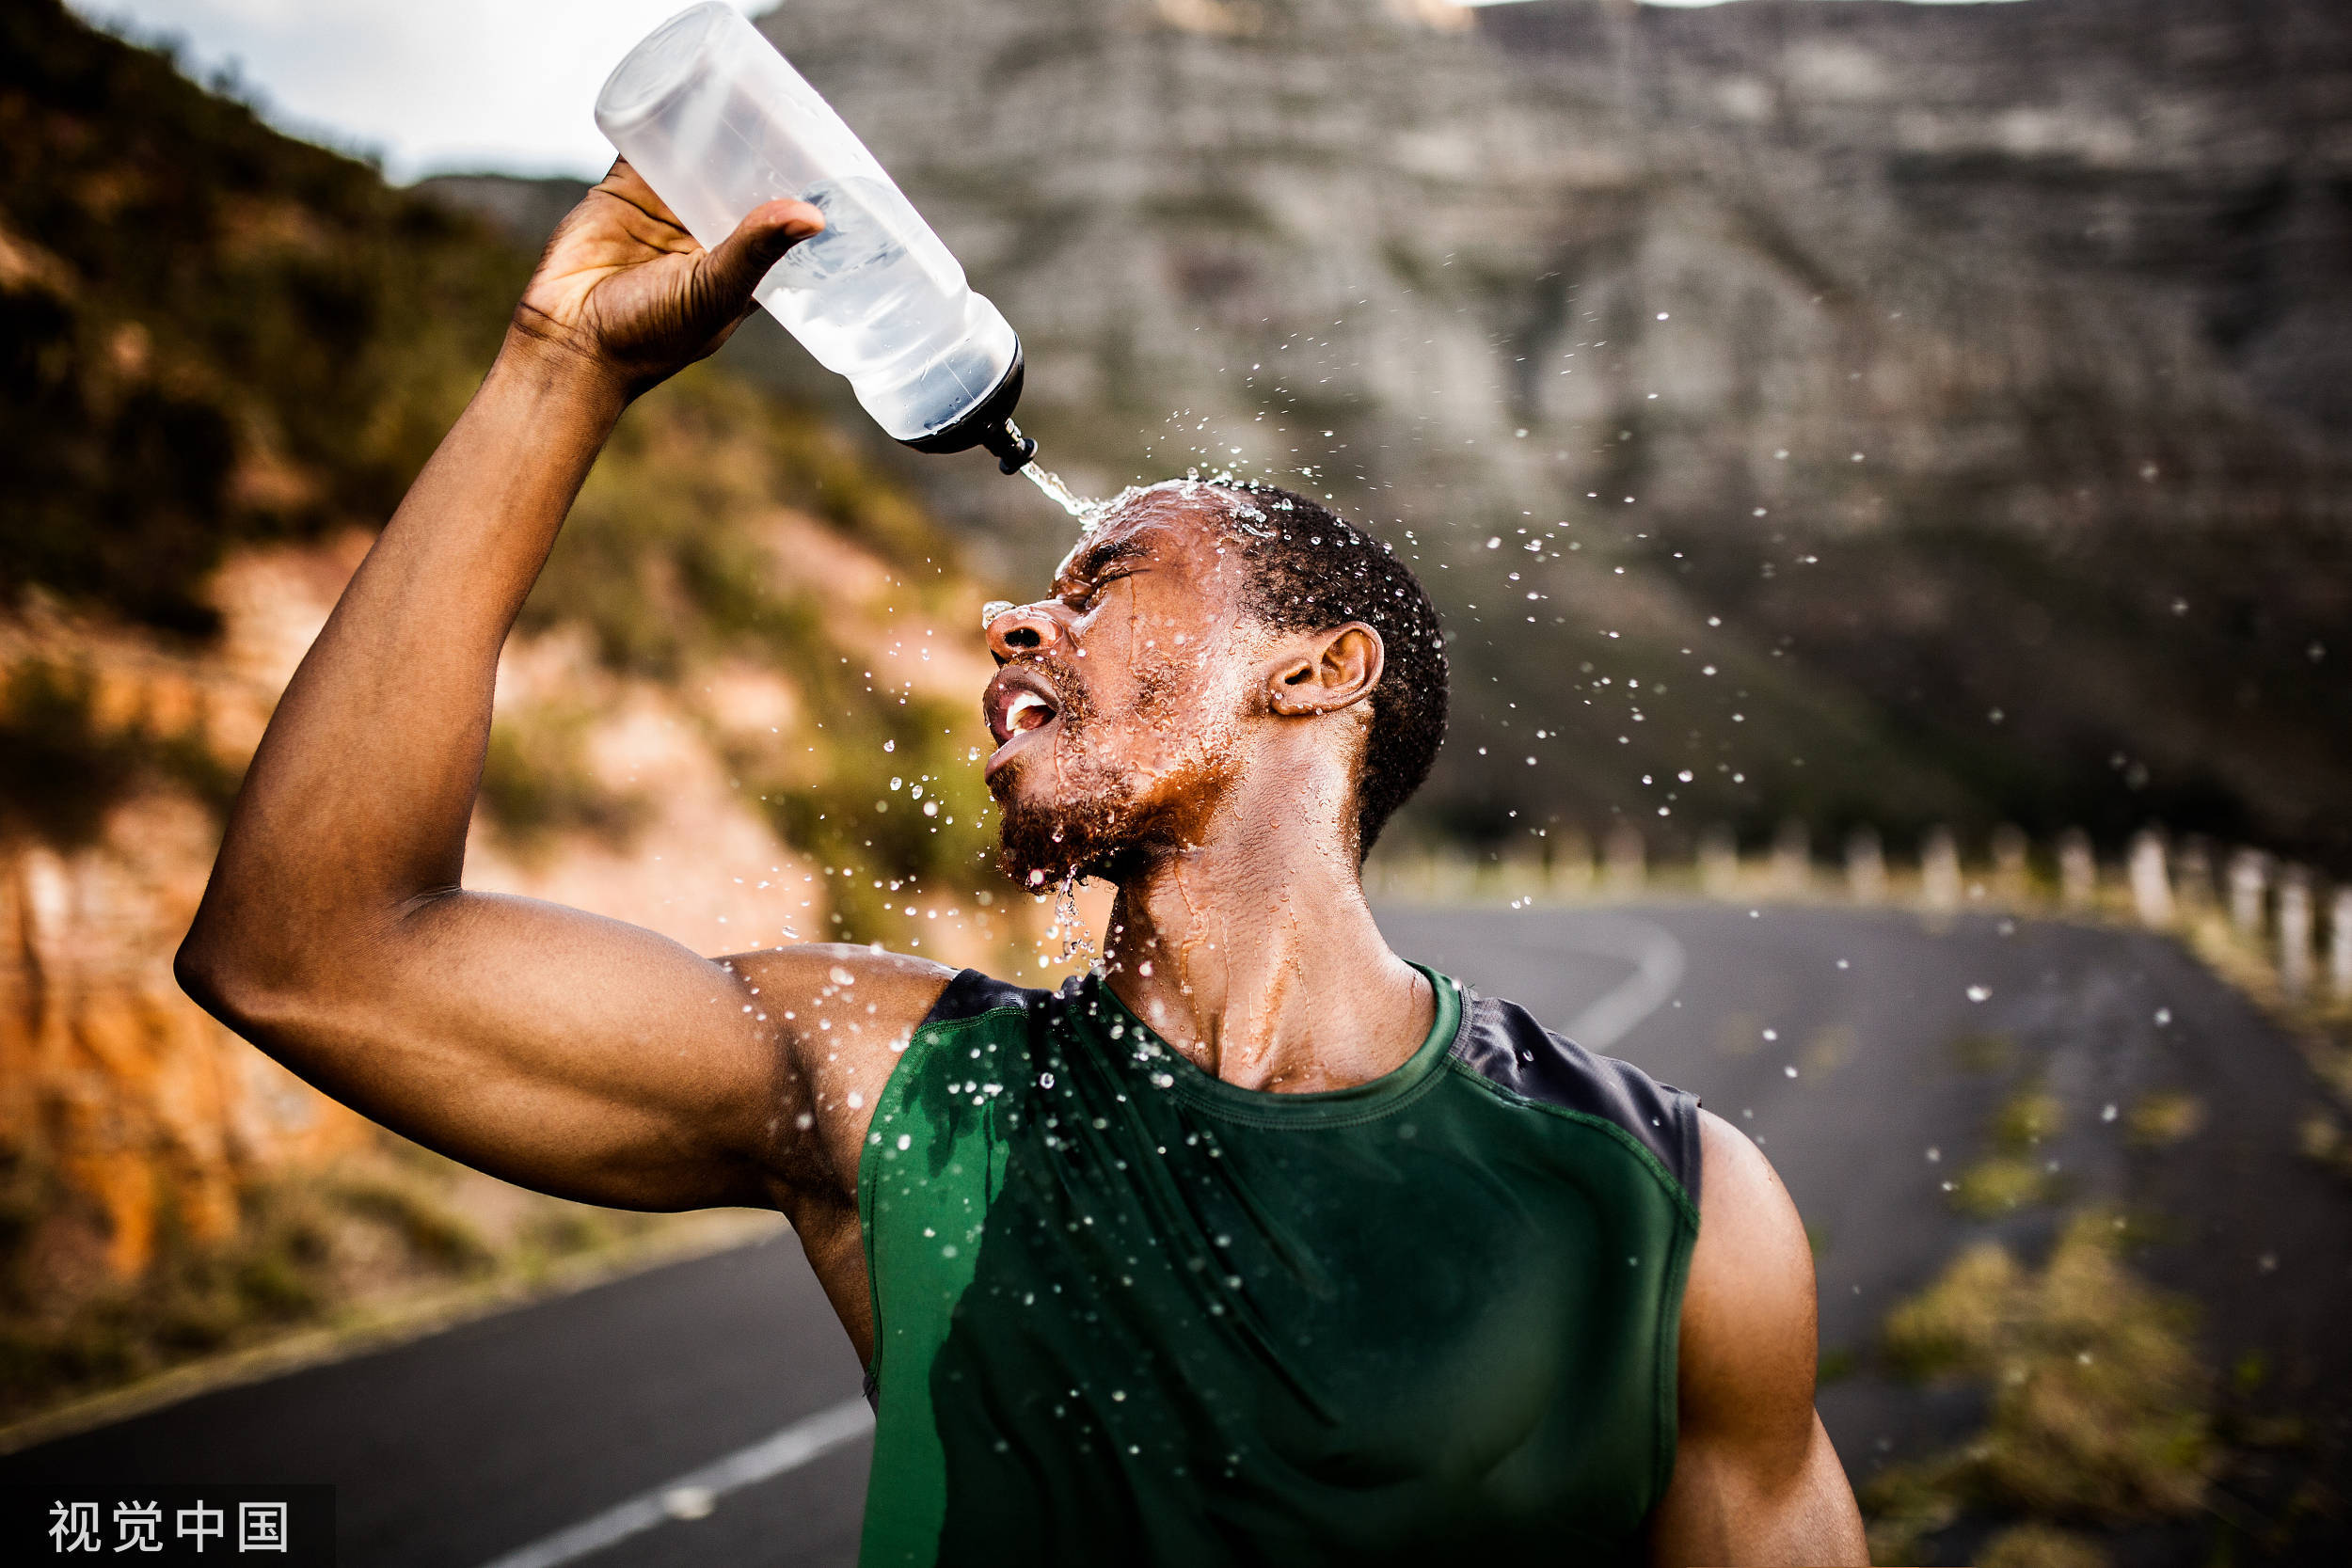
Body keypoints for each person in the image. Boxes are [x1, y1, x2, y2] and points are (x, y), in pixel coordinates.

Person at [178, 163, 1867, 1567]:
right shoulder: (895, 1087)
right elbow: (309, 953)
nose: (1008, 621)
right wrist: (557, 369)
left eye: (1105, 579)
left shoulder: (1677, 1210)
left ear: (1315, 675)